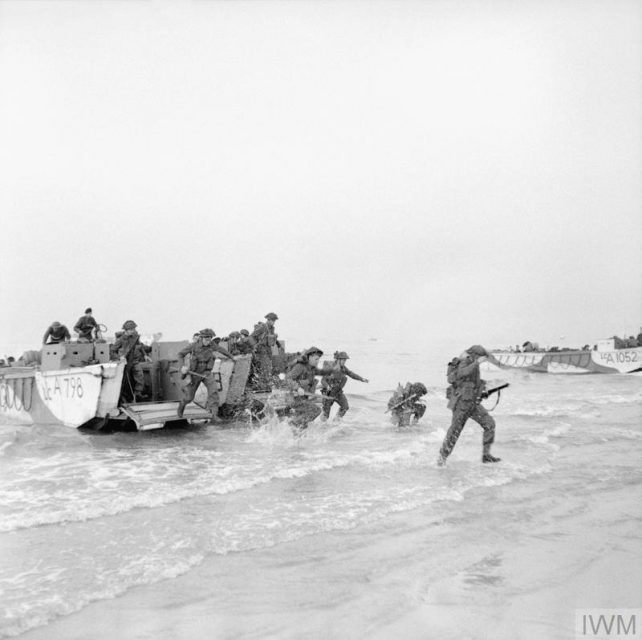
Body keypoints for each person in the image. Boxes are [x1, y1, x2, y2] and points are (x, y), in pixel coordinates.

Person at [438, 345, 500, 465]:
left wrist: (483, 390)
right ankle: (442, 458)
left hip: (473, 404)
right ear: (476, 355)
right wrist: (476, 363)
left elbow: (472, 384)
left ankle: (486, 455)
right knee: (455, 432)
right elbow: (462, 373)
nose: (483, 360)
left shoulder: (473, 364)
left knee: (490, 424)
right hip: (461, 405)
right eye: (482, 358)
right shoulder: (466, 361)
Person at [176, 328, 235, 423]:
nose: (208, 342)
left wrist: (232, 357)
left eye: (210, 339)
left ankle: (214, 415)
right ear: (202, 338)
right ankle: (182, 405)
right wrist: (182, 367)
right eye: (206, 339)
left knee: (213, 392)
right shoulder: (194, 346)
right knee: (189, 398)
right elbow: (180, 354)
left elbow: (221, 350)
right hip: (195, 373)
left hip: (207, 373)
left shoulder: (212, 345)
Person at [285, 346, 327, 429]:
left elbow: (309, 383)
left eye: (318, 359)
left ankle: (296, 434)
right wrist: (297, 388)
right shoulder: (300, 366)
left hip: (302, 398)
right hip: (293, 398)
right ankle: (293, 424)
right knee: (316, 410)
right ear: (310, 357)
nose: (318, 362)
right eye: (316, 359)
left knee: (304, 425)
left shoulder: (311, 369)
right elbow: (288, 378)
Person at [320, 351, 369, 421]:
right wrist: (327, 386)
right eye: (343, 360)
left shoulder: (343, 368)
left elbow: (351, 374)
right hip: (328, 393)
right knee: (325, 417)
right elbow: (323, 380)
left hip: (338, 392)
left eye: (345, 360)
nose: (344, 362)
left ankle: (336, 421)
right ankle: (320, 426)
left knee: (345, 407)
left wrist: (361, 379)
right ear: (338, 359)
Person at [111, 320, 150, 401]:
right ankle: (122, 397)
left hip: (134, 361)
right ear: (126, 330)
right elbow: (112, 351)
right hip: (125, 363)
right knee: (124, 380)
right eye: (131, 329)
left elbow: (139, 345)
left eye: (134, 329)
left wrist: (145, 355)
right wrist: (119, 357)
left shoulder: (135, 337)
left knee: (140, 376)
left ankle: (137, 394)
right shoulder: (121, 340)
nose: (134, 331)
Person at [251, 312, 279, 391]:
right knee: (265, 367)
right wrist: (254, 346)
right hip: (261, 349)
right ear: (268, 319)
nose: (273, 322)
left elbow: (270, 339)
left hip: (268, 349)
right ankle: (262, 386)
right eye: (272, 320)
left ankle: (265, 385)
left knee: (268, 367)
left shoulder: (272, 328)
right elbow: (252, 336)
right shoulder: (263, 327)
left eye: (274, 320)